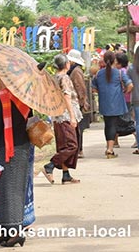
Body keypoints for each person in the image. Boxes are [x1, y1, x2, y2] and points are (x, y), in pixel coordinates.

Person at [0, 75, 33, 247]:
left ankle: (15, 232)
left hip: (9, 148)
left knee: (8, 190)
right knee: (11, 189)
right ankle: (5, 231)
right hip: (23, 147)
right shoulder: (23, 97)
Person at [43, 54, 82, 185]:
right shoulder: (64, 78)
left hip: (57, 115)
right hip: (65, 115)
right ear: (67, 64)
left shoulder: (53, 78)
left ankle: (66, 174)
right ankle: (50, 165)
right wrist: (72, 116)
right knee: (72, 145)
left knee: (63, 145)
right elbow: (67, 97)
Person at [91, 50, 133, 159]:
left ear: (104, 61)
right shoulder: (119, 73)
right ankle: (110, 149)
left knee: (108, 124)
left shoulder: (98, 74)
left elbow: (94, 89)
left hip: (104, 103)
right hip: (116, 103)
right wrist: (124, 92)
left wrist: (102, 92)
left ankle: (109, 146)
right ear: (114, 60)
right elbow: (130, 85)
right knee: (113, 125)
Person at [66, 49, 91, 159]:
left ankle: (79, 149)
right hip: (74, 101)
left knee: (78, 128)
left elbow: (80, 87)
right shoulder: (74, 70)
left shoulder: (76, 71)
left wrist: (83, 100)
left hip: (77, 102)